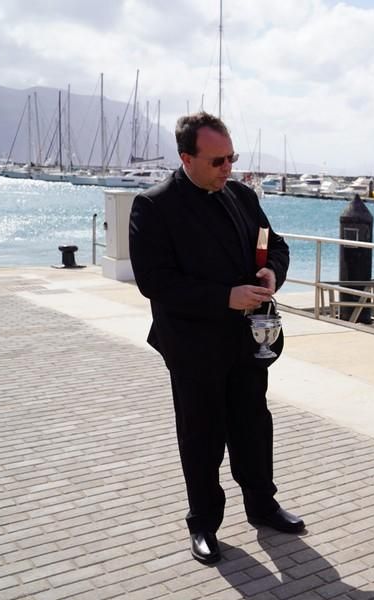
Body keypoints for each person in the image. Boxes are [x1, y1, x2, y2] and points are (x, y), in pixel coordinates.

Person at [129, 111, 305, 565]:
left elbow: (276, 245)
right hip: (193, 347)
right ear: (187, 157)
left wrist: (271, 272)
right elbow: (155, 281)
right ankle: (203, 524)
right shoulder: (154, 206)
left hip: (249, 342)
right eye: (217, 160)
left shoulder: (242, 196)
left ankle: (262, 506)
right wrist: (225, 296)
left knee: (253, 425)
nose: (228, 167)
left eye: (232, 157)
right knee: (200, 435)